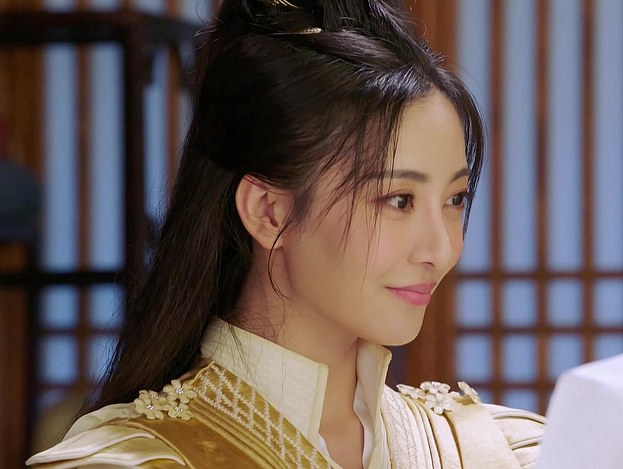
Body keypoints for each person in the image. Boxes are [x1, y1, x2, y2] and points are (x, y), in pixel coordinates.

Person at [27, 0, 545, 467]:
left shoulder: (504, 450)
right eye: (398, 200)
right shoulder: (133, 460)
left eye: (455, 200)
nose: (441, 249)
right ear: (269, 212)